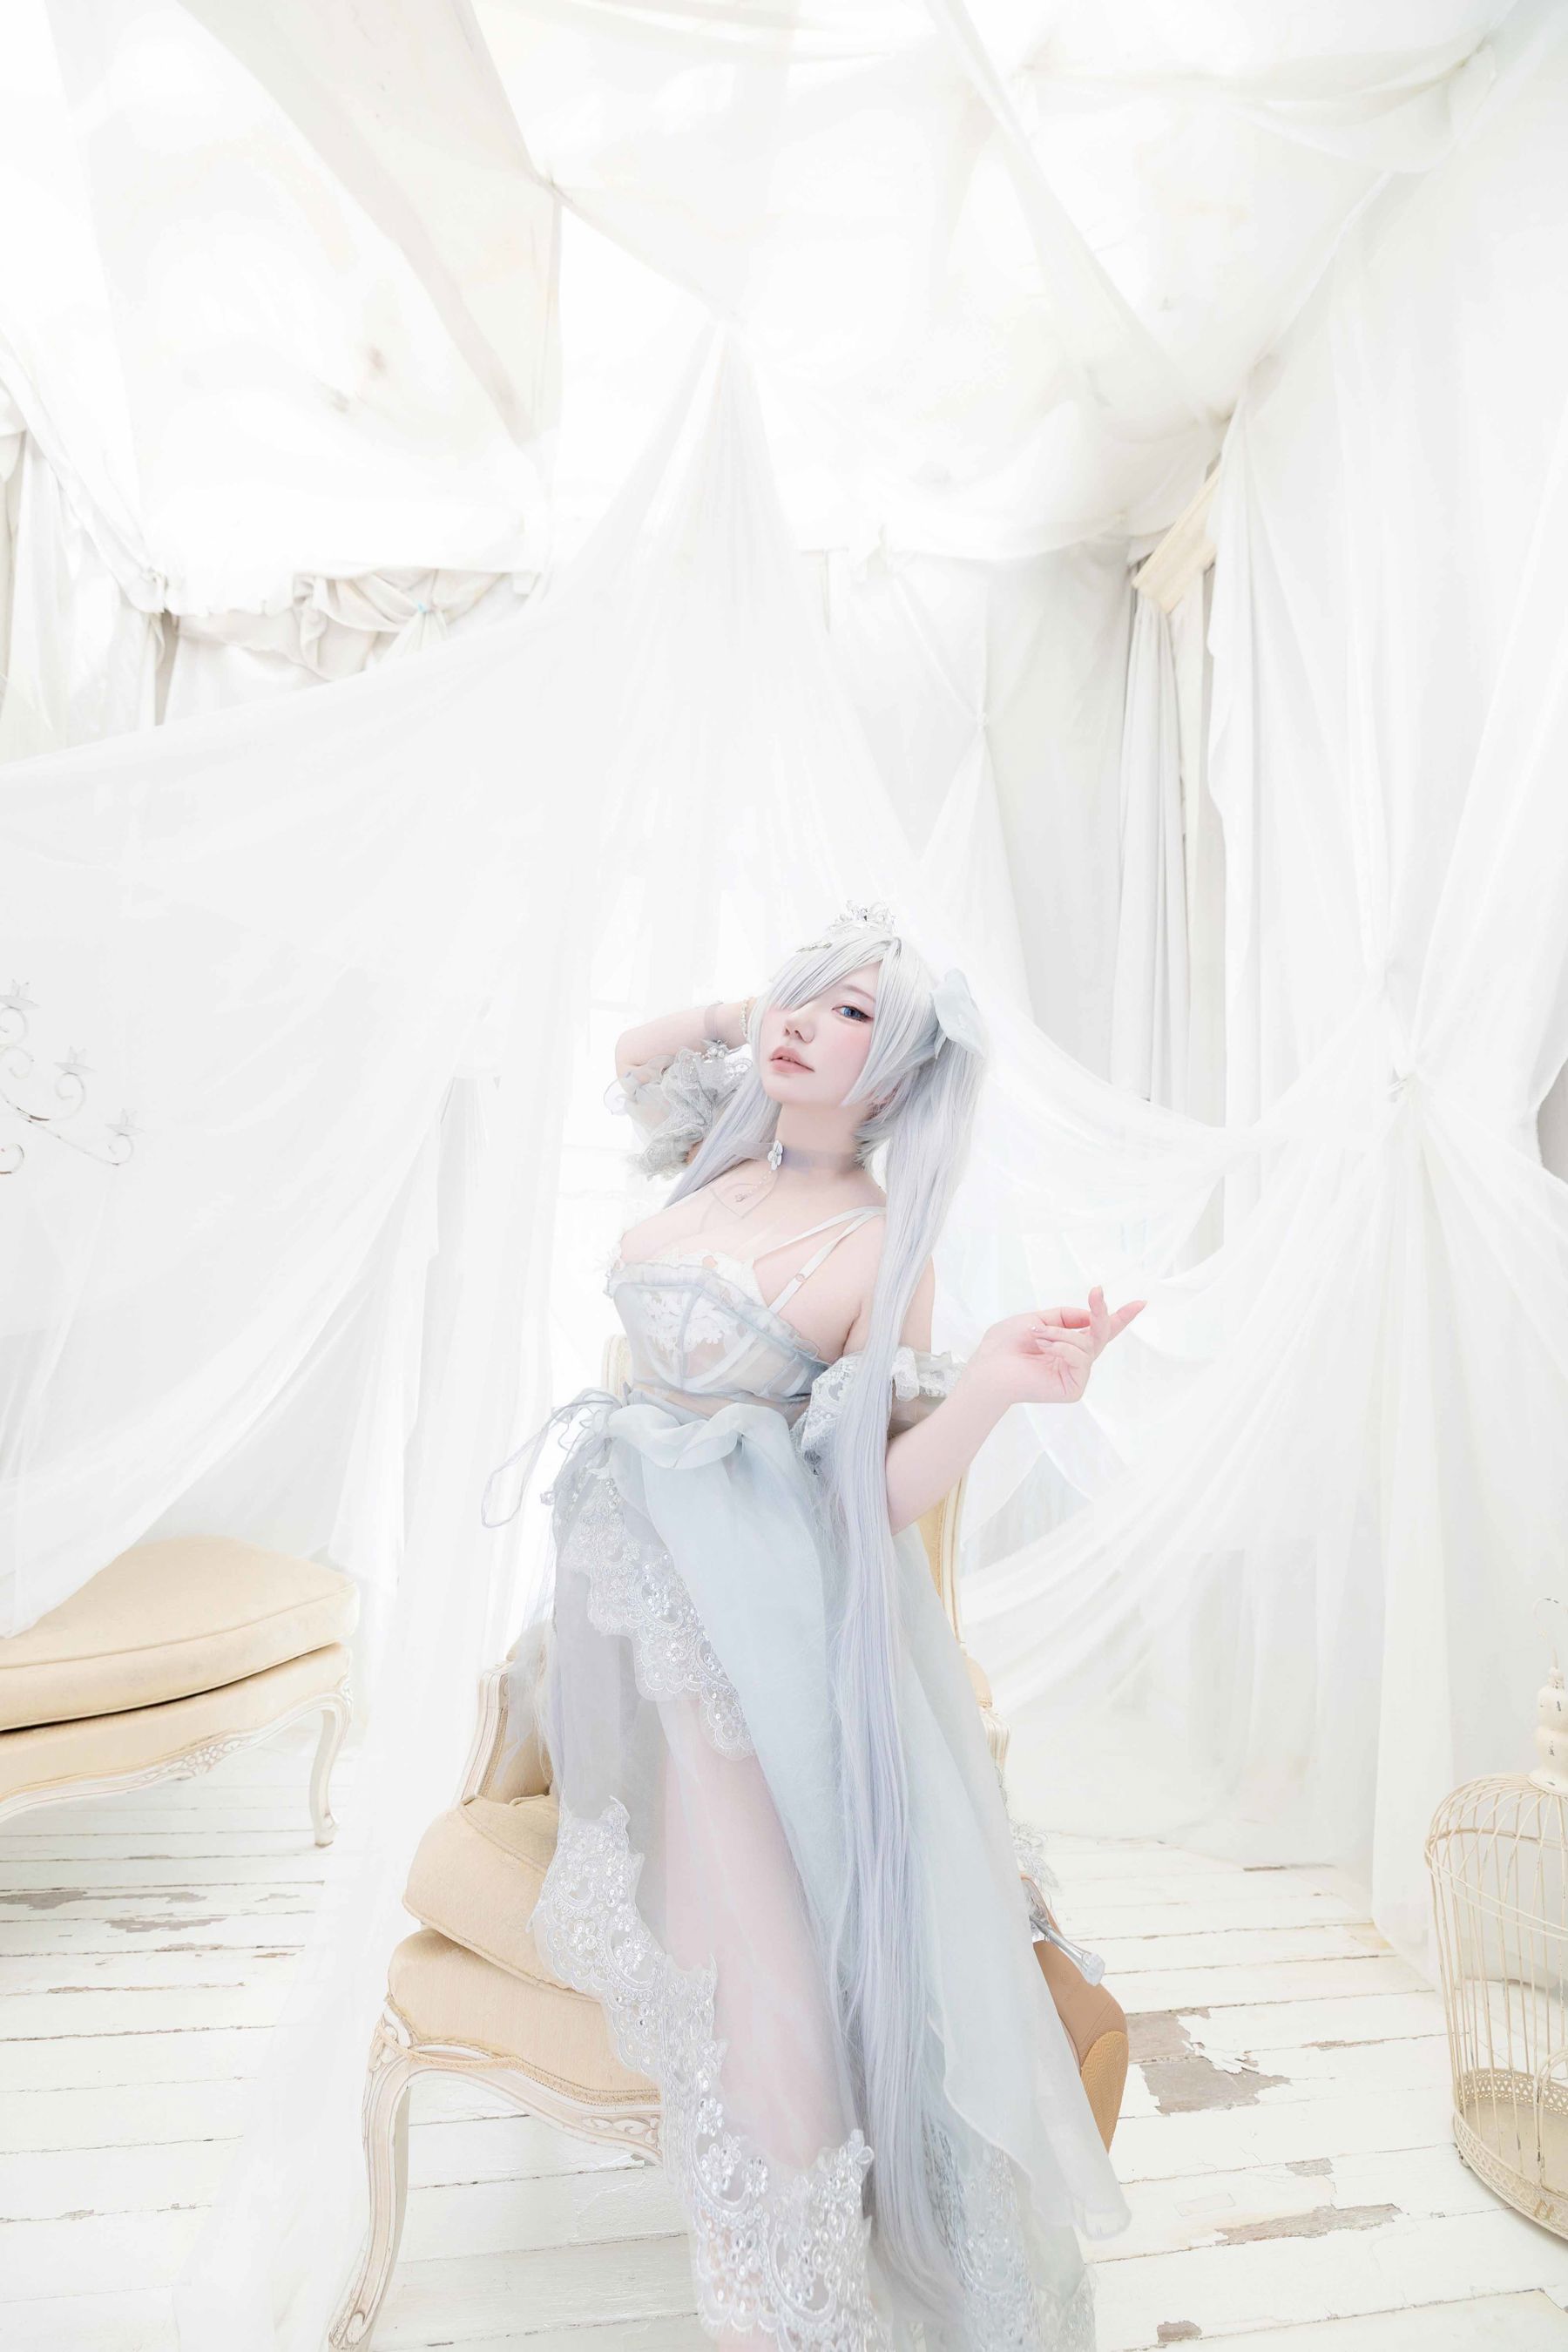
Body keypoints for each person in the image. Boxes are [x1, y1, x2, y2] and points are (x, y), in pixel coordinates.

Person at [484, 905, 1145, 2350]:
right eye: (805, 997)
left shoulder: (878, 1243)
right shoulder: (715, 1150)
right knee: (714, 1885)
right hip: (623, 1582)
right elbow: (634, 1050)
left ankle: (784, 2289)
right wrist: (754, 1012)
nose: (804, 1025)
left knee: (756, 1918)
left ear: (898, 1074)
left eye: (854, 1016)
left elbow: (872, 1493)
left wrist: (993, 1385)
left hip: (751, 1600)